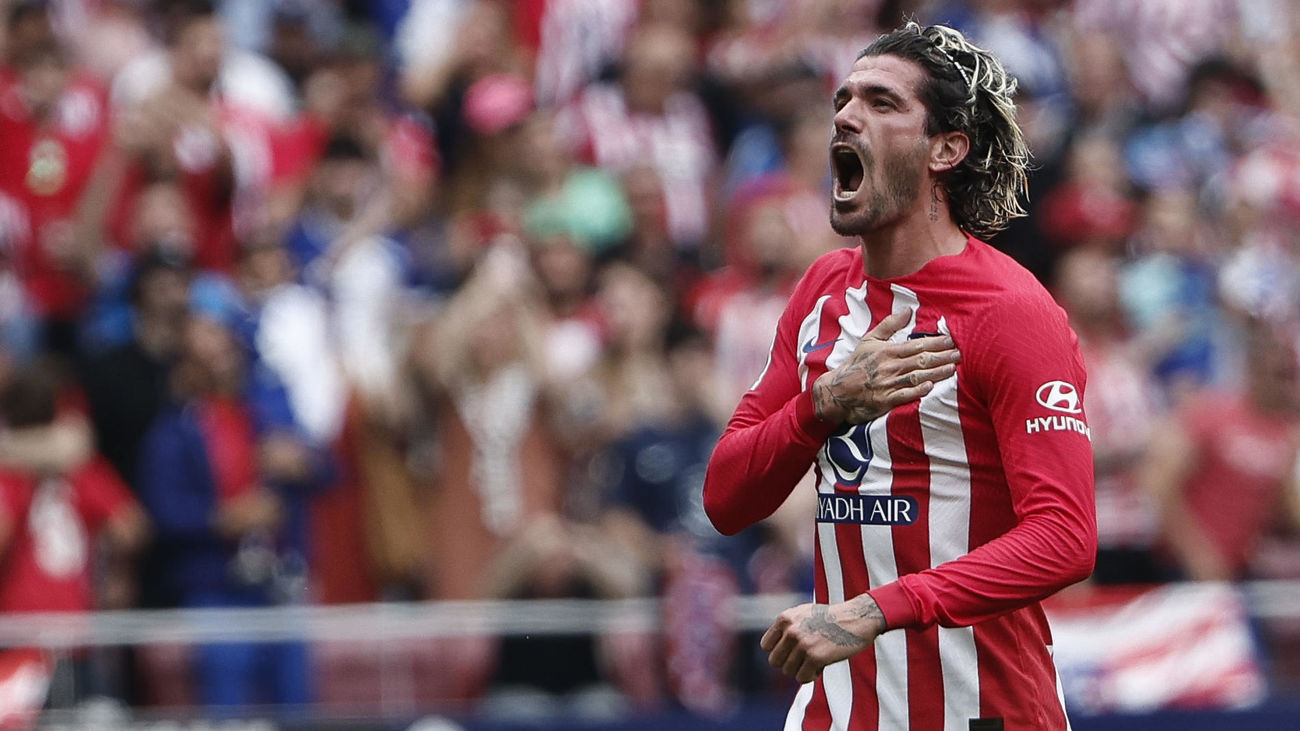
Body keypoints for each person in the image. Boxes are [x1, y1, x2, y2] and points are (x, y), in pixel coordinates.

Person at [702, 23, 1096, 730]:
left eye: (882, 104)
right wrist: (822, 406)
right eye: (845, 100)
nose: (847, 115)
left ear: (947, 149)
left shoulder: (1011, 312)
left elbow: (1065, 536)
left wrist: (876, 608)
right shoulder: (823, 290)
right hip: (839, 710)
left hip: (983, 709)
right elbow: (727, 497)